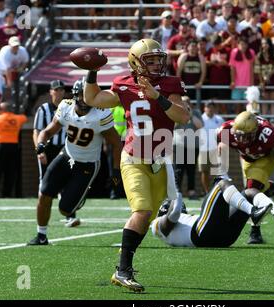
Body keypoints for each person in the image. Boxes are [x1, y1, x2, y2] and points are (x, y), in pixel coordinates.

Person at [83, 39, 190, 292]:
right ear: (136, 63)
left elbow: (183, 116)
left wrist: (157, 97)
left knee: (148, 217)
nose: (156, 64)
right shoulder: (124, 84)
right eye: (149, 60)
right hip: (133, 158)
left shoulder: (169, 85)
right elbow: (93, 98)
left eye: (158, 59)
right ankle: (123, 270)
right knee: (141, 211)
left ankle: (123, 261)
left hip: (159, 161)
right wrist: (92, 70)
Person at [27, 78, 122, 244]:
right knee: (44, 193)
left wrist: (115, 171)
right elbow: (47, 131)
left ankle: (79, 196)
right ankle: (41, 236)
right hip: (65, 157)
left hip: (87, 165)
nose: (84, 100)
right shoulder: (66, 107)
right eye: (81, 96)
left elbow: (116, 144)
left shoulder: (101, 114)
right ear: (75, 95)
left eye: (88, 96)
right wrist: (41, 143)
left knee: (65, 210)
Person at [217, 111, 274, 244]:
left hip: (266, 158)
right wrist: (222, 172)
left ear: (255, 132)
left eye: (246, 137)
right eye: (239, 136)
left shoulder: (268, 134)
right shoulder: (226, 130)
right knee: (253, 192)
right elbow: (221, 148)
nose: (242, 140)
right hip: (247, 159)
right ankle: (268, 188)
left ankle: (256, 231)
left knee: (251, 189)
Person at [151, 178, 273, 248]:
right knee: (221, 184)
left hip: (223, 239)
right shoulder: (157, 224)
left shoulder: (180, 222)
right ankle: (253, 212)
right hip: (201, 234)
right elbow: (175, 212)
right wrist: (175, 194)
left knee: (247, 194)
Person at [33, 80, 66, 185]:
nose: (59, 92)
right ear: (50, 92)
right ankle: (42, 200)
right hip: (47, 148)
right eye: (56, 90)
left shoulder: (69, 108)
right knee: (45, 177)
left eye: (61, 90)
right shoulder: (43, 109)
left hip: (64, 148)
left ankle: (63, 200)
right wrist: (39, 150)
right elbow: (36, 131)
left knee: (63, 177)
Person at [173, 96, 203, 200]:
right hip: (179, 145)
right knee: (178, 169)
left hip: (192, 146)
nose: (185, 104)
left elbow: (200, 126)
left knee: (191, 170)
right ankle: (177, 191)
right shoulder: (174, 111)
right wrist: (180, 114)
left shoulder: (196, 112)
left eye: (187, 102)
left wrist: (189, 114)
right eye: (183, 102)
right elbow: (173, 125)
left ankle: (191, 191)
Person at [198, 101, 224, 195]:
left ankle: (215, 192)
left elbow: (223, 133)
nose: (210, 109)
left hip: (216, 149)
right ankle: (206, 192)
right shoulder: (200, 118)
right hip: (203, 149)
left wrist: (222, 144)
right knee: (204, 171)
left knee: (216, 171)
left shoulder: (219, 119)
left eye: (212, 107)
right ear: (204, 108)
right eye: (208, 107)